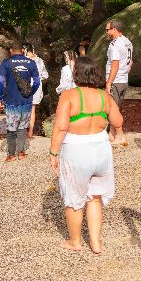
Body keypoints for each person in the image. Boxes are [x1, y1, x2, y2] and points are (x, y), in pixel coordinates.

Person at [49, 56, 124, 254]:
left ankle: (75, 241)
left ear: (77, 74)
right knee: (95, 197)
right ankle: (96, 243)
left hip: (76, 149)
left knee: (74, 198)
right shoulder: (104, 96)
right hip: (101, 148)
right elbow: (117, 121)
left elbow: (60, 126)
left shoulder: (69, 95)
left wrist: (53, 152)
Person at [0, 44, 41, 162]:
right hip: (26, 100)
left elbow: (0, 82)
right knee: (22, 127)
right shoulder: (31, 62)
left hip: (11, 101)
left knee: (11, 128)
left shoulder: (6, 63)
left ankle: (11, 155)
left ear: (11, 51)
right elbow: (37, 82)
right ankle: (21, 153)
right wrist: (31, 92)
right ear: (22, 51)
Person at [104, 19, 133, 145]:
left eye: (107, 30)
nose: (106, 32)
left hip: (115, 80)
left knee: (112, 109)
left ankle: (120, 136)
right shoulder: (127, 42)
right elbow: (131, 62)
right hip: (124, 79)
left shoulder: (115, 44)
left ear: (114, 29)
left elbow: (115, 64)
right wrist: (124, 73)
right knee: (116, 107)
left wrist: (109, 83)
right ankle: (111, 134)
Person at [23, 43, 49, 140]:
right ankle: (30, 133)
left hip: (25, 87)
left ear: (24, 50)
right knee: (32, 110)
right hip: (37, 87)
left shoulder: (23, 61)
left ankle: (22, 131)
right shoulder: (40, 60)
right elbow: (46, 75)